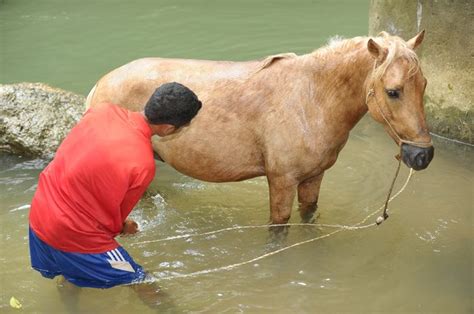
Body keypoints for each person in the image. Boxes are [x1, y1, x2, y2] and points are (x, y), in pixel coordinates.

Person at [28, 82, 202, 302]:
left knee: (72, 270)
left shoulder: (102, 110)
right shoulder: (142, 163)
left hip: (40, 213)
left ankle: (69, 306)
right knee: (139, 279)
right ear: (168, 128)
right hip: (72, 233)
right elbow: (114, 222)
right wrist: (125, 226)